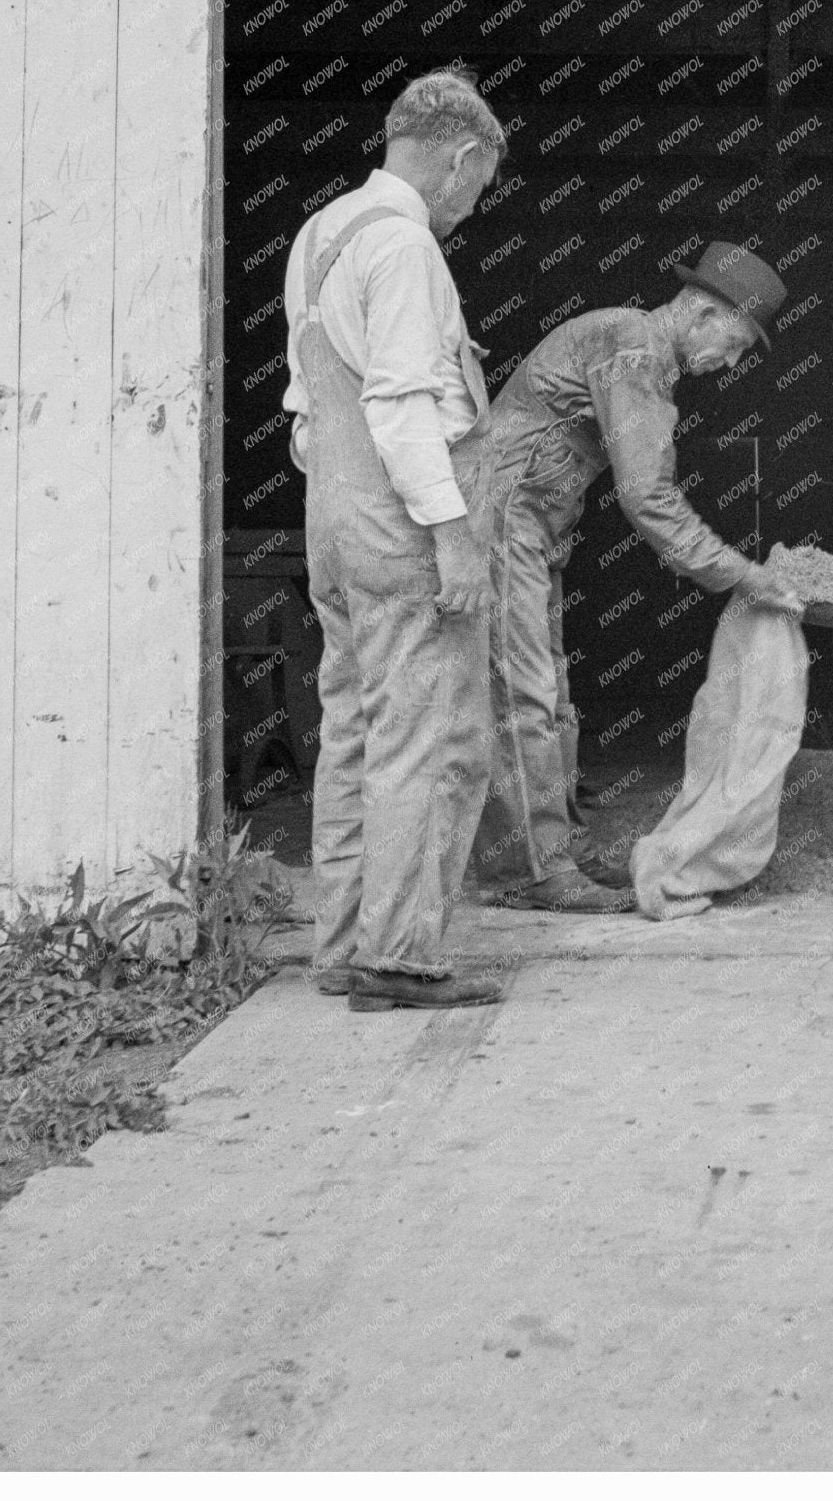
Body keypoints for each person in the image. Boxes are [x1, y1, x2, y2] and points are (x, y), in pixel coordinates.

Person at [476, 242, 806, 910]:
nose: (730, 364)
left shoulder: (633, 344)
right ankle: (530, 872)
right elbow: (647, 494)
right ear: (703, 314)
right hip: (502, 520)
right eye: (735, 344)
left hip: (530, 524)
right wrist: (741, 574)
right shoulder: (634, 348)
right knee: (523, 694)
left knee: (549, 692)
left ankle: (556, 849)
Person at [281, 67, 508, 1010]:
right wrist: (451, 535)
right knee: (432, 734)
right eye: (479, 186)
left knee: (354, 730)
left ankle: (341, 945)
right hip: (402, 522)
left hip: (332, 518)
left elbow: (306, 410)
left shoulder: (320, 233)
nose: (472, 207)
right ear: (461, 158)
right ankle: (399, 957)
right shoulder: (407, 247)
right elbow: (404, 406)